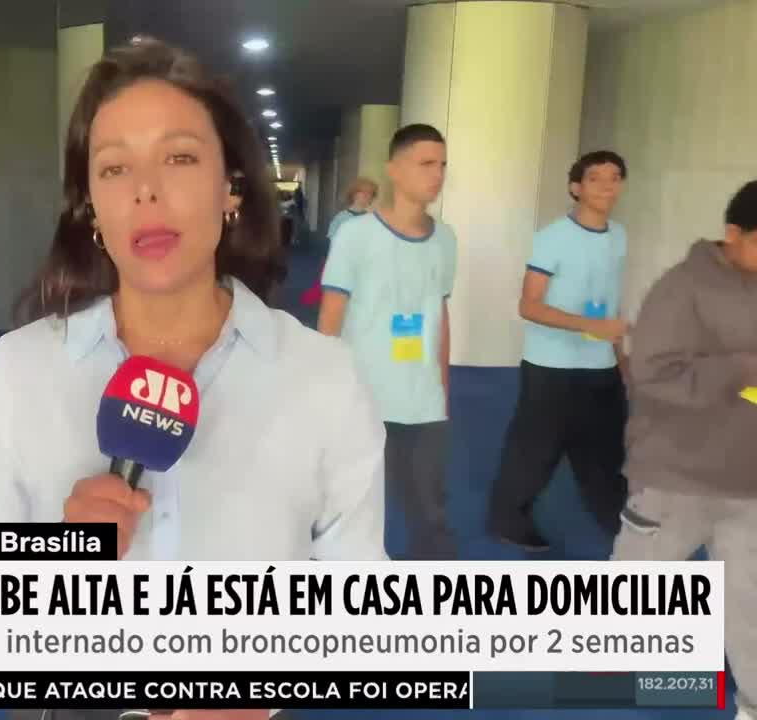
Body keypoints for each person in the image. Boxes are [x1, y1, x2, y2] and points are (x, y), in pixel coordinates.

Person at [0, 37, 385, 565]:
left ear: (231, 189)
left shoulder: (325, 378)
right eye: (114, 168)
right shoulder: (17, 373)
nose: (146, 190)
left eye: (179, 158)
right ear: (91, 208)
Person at [613, 180, 757, 720]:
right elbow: (651, 377)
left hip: (749, 482)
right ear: (733, 234)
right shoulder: (681, 288)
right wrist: (741, 370)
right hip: (676, 476)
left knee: (748, 606)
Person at [316, 124, 457, 560]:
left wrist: (443, 385)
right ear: (394, 170)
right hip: (363, 393)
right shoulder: (355, 236)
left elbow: (441, 314)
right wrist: (322, 390)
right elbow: (331, 317)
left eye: (443, 165)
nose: (437, 174)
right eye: (426, 163)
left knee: (430, 509)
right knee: (349, 508)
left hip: (422, 400)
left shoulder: (446, 239)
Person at [488, 151, 630, 551]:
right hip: (551, 369)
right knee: (534, 454)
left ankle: (618, 522)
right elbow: (528, 305)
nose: (606, 185)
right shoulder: (552, 238)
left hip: (600, 366)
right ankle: (507, 519)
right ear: (575, 188)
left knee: (605, 452)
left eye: (615, 177)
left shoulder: (619, 236)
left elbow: (610, 301)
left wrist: (621, 360)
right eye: (596, 178)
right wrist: (590, 326)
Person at [299, 177, 378, 306]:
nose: (367, 197)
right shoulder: (341, 219)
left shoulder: (372, 219)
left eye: (371, 194)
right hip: (345, 268)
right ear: (354, 194)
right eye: (364, 193)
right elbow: (334, 247)